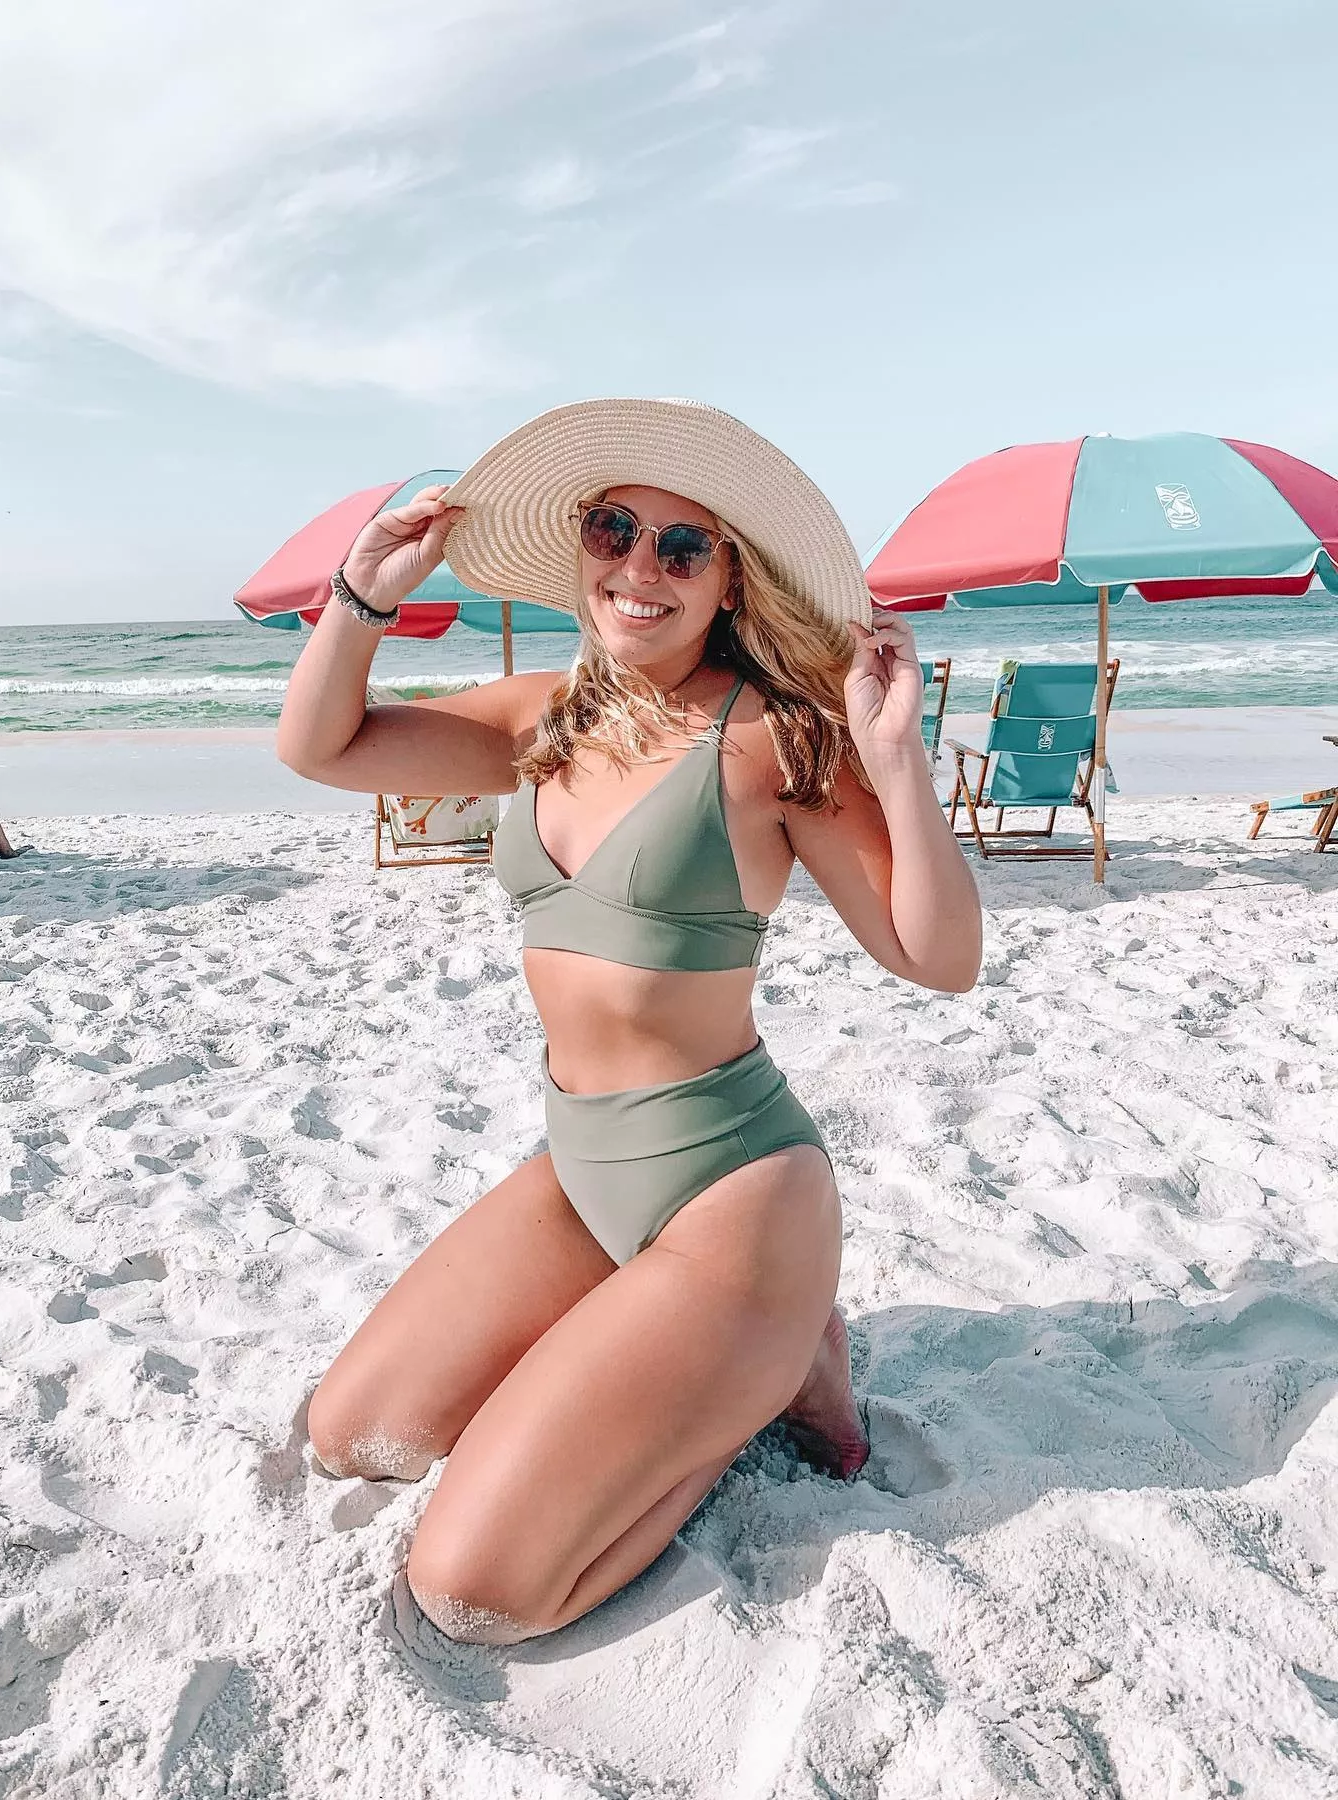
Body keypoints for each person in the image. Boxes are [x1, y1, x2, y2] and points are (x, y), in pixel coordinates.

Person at [277, 398, 982, 1648]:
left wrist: (897, 759)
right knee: (354, 1436)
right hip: (582, 1167)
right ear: (584, 549)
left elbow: (942, 959)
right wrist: (360, 598)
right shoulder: (540, 719)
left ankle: (759, 1372)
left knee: (476, 1594)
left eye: (682, 547)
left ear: (729, 581)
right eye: (615, 530)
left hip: (733, 1198)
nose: (640, 568)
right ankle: (717, 1357)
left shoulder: (774, 739)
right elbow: (321, 748)